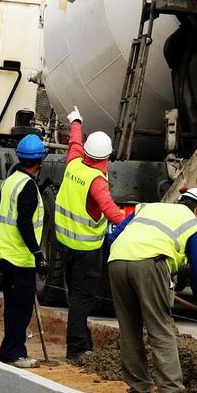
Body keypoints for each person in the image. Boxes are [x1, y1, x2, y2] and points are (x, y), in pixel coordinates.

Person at [106, 187, 197, 393]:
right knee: (160, 328)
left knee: (129, 330)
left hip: (117, 260)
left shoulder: (147, 208)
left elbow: (113, 237)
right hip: (150, 263)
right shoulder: (194, 226)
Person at [52, 107, 126, 363]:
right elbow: (110, 210)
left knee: (75, 297)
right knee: (81, 301)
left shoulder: (74, 163)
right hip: (87, 251)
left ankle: (84, 343)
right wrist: (133, 223)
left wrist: (76, 122)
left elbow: (74, 143)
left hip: (66, 246)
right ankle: (77, 351)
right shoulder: (97, 180)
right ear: (106, 157)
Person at [0, 134, 49, 369]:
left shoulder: (11, 180)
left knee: (14, 308)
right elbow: (24, 224)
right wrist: (38, 255)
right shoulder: (27, 187)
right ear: (40, 161)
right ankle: (13, 353)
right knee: (20, 309)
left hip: (8, 254)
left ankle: (14, 350)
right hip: (20, 258)